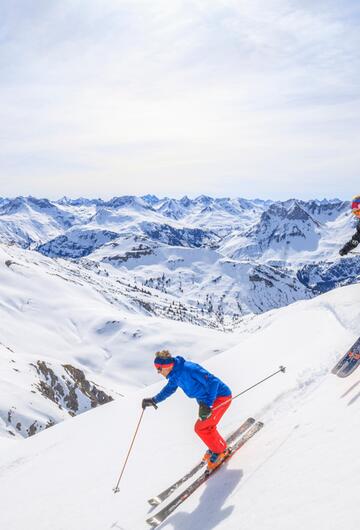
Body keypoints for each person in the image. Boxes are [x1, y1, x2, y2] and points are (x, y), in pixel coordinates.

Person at [142, 350, 232, 471]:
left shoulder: (189, 368)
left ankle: (221, 451)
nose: (158, 372)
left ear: (165, 366)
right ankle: (215, 446)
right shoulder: (174, 374)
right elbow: (169, 389)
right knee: (207, 426)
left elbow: (213, 382)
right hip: (205, 403)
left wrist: (208, 405)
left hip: (220, 398)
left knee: (201, 428)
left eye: (158, 369)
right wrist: (154, 400)